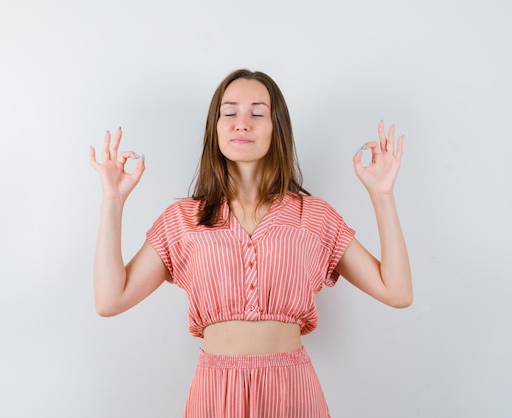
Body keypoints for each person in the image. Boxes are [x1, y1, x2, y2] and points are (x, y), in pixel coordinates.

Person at [89, 69, 412, 418]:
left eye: (257, 113)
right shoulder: (183, 219)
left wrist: (382, 196)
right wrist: (112, 201)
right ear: (215, 128)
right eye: (229, 113)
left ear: (277, 128)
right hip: (215, 393)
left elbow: (396, 291)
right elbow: (110, 300)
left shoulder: (314, 216)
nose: (242, 123)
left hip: (292, 390)